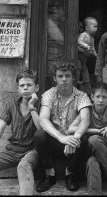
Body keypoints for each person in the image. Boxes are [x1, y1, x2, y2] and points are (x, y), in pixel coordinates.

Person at [34, 61, 92, 192]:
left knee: (84, 137)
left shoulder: (82, 96)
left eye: (67, 76)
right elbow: (43, 118)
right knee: (39, 135)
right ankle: (49, 174)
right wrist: (61, 137)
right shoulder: (49, 94)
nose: (64, 79)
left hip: (72, 145)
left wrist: (75, 137)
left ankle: (70, 174)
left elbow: (85, 120)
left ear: (73, 78)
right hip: (55, 141)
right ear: (55, 78)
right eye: (60, 76)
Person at [67, 81, 107, 195]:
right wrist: (97, 131)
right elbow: (71, 129)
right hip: (90, 149)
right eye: (97, 96)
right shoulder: (87, 110)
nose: (100, 100)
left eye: (104, 97)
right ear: (92, 97)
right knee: (92, 158)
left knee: (92, 152)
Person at [0, 69, 41, 195]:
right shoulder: (11, 104)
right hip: (13, 151)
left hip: (32, 151)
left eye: (29, 85)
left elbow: (41, 129)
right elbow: (0, 128)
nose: (25, 88)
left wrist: (32, 107)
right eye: (22, 85)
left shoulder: (41, 105)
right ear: (18, 89)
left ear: (36, 87)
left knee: (23, 166)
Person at [77, 17, 98, 95]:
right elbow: (79, 41)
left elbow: (93, 49)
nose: (96, 29)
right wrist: (86, 46)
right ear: (87, 28)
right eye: (94, 27)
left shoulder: (92, 38)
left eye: (97, 27)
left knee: (84, 69)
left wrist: (96, 55)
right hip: (79, 56)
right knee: (79, 67)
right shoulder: (84, 34)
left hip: (84, 58)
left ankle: (86, 86)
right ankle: (77, 80)